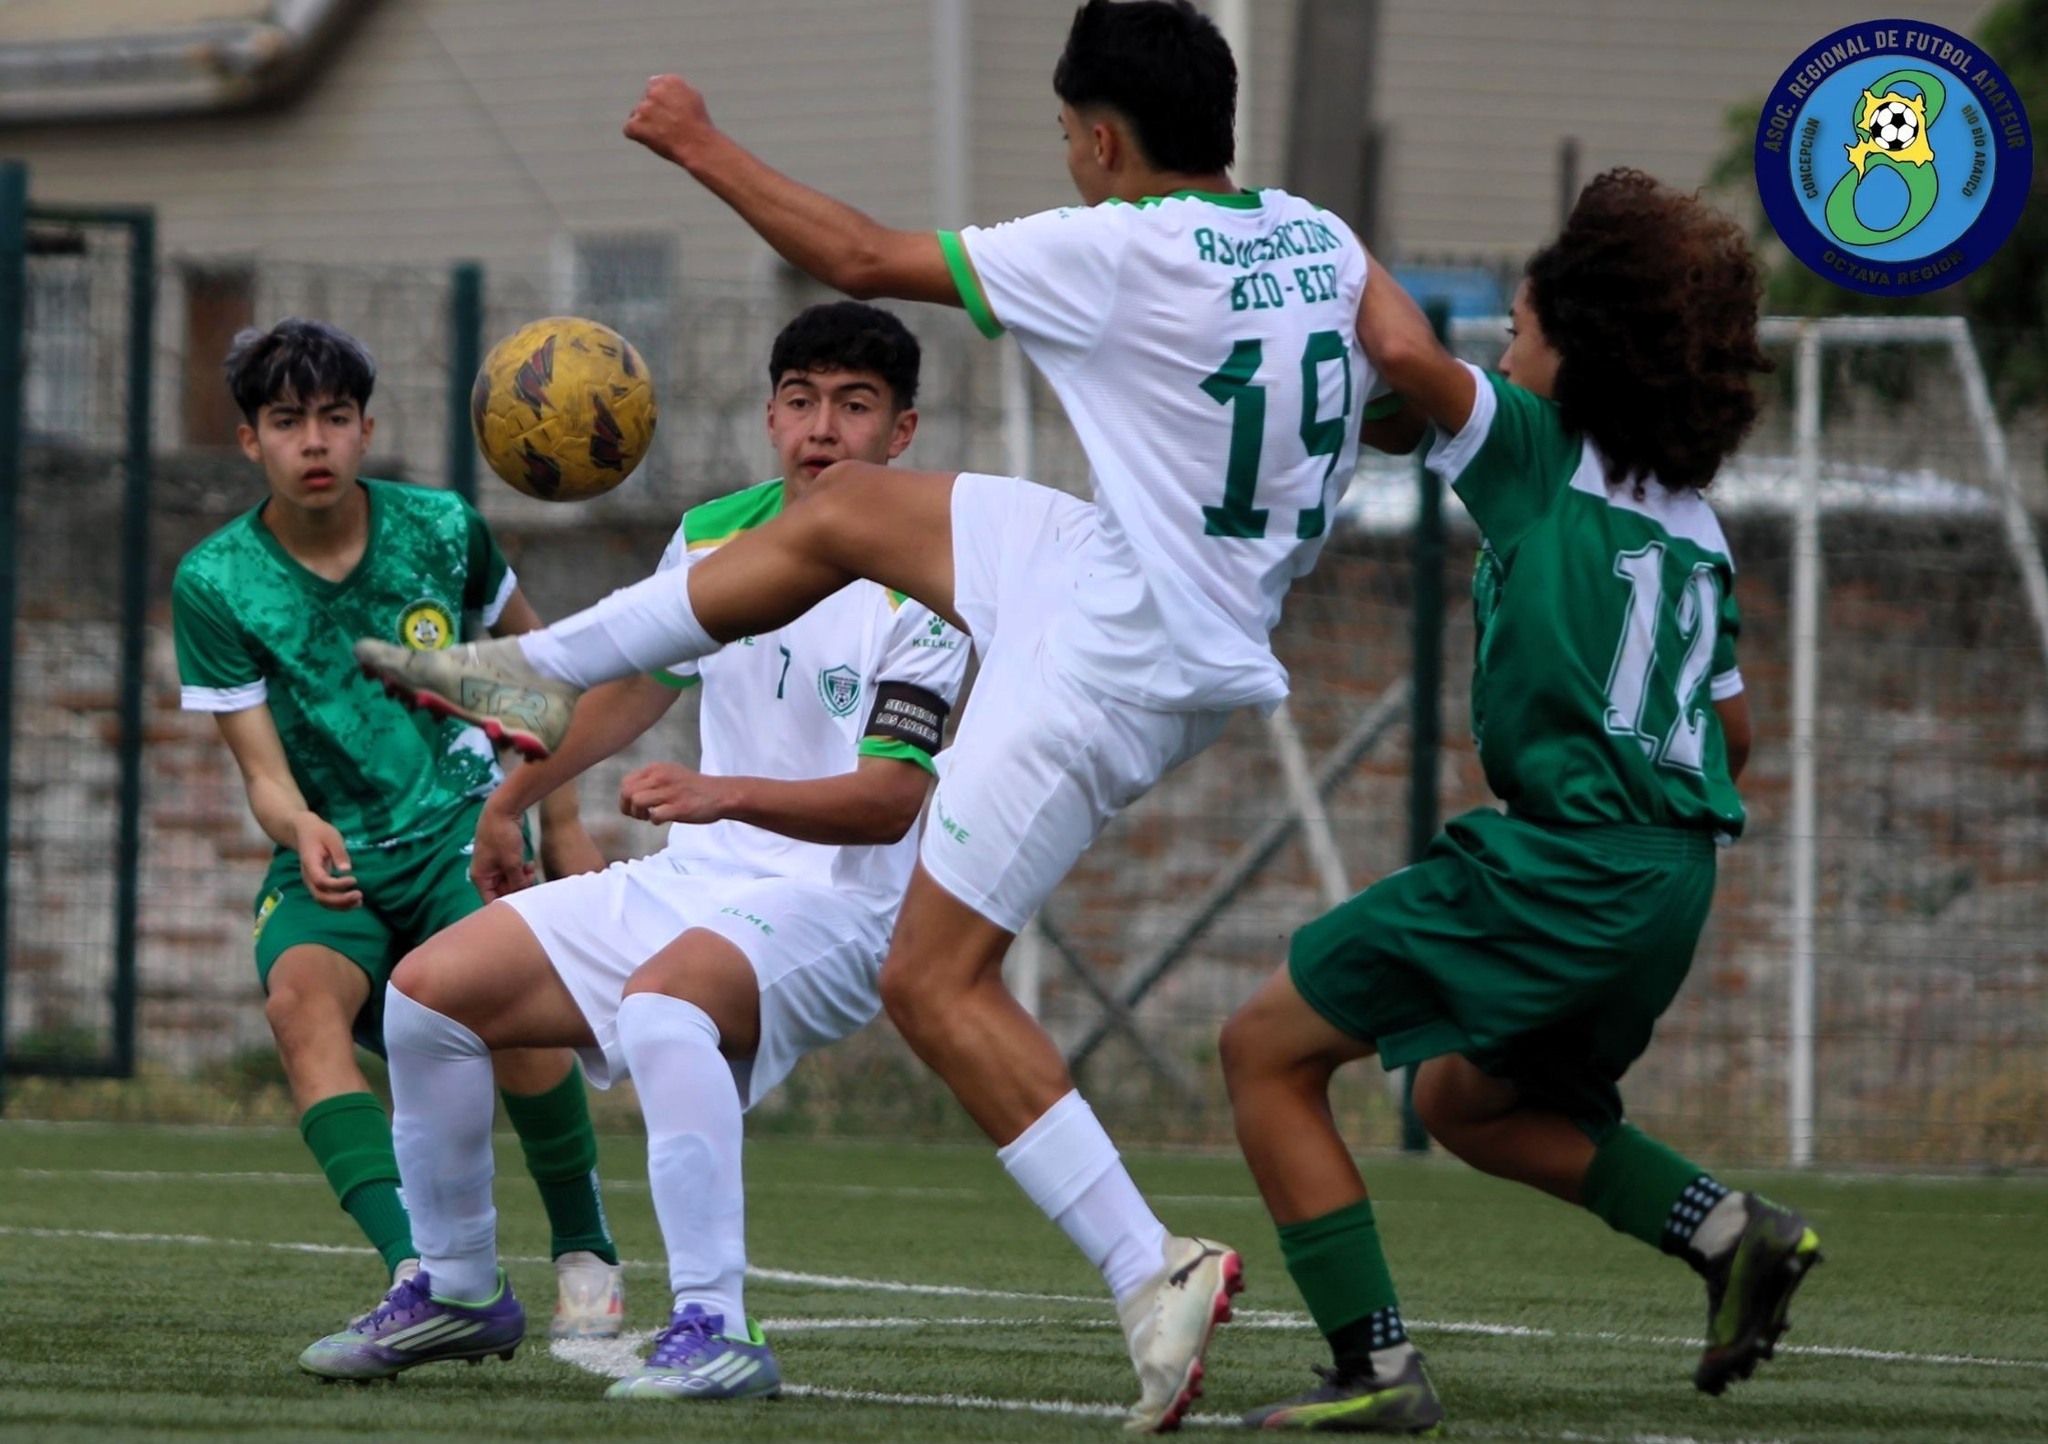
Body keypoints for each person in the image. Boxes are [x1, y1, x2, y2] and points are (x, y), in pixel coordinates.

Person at [354, 3, 1420, 1427]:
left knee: (933, 980)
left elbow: (859, 256)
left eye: (1064, 140)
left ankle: (1145, 1264)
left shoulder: (1114, 243)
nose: (1067, 163)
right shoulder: (1316, 237)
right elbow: (1409, 380)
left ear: (1104, 139)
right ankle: (530, 675)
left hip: (1119, 647)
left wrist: (696, 142)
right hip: (1135, 577)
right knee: (844, 514)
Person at [1217, 169, 1823, 1433]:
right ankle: (1728, 1233)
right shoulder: (1692, 522)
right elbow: (1735, 732)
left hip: (1567, 865)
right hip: (1667, 882)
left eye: (1520, 326)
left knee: (1262, 1051)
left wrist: (1299, 229)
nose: (1500, 345)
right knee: (1461, 1097)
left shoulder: (1536, 454)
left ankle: (1373, 1370)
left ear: (1576, 348)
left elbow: (1393, 342)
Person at [305, 303, 968, 1397]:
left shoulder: (934, 573)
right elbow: (634, 686)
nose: (821, 428)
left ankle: (715, 1325)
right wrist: (513, 796)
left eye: (855, 406)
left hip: (842, 901)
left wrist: (723, 792)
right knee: (425, 996)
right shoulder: (714, 534)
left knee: (667, 1010)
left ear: (900, 432)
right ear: (768, 415)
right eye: (801, 401)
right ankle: (460, 1288)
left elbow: (889, 801)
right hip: (698, 880)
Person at [169, 319, 627, 1373]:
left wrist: (558, 821)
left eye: (334, 418)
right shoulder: (216, 581)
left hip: (465, 833)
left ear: (368, 428)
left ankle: (585, 1257)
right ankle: (426, 1276)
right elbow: (260, 772)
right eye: (287, 422)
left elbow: (540, 674)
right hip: (333, 849)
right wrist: (296, 826)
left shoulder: (444, 530)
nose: (314, 441)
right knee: (299, 1002)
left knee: (505, 1006)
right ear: (251, 442)